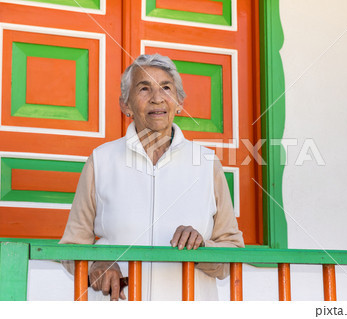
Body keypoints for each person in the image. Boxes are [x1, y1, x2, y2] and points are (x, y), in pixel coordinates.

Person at [59, 54, 244, 301]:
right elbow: (72, 246)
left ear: (179, 102)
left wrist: (202, 249)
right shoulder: (101, 160)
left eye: (166, 88)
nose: (157, 98)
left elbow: (232, 252)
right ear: (125, 105)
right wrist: (94, 264)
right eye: (144, 88)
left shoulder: (208, 163)